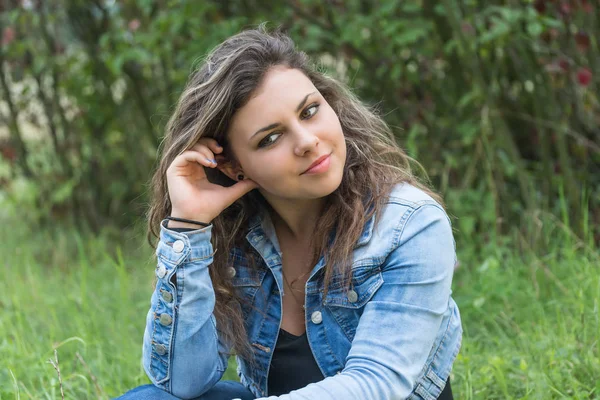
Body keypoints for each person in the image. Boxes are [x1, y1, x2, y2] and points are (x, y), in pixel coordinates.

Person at [116, 25, 461, 400]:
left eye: (310, 111)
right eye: (271, 138)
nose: (308, 142)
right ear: (234, 167)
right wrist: (189, 225)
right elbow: (182, 383)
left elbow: (376, 384)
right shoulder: (235, 237)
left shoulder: (409, 224)